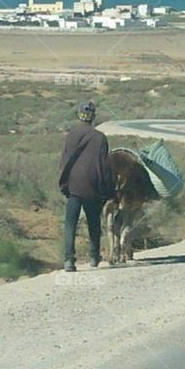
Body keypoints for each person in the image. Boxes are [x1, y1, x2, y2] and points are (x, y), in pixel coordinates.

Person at [58, 101, 115, 271]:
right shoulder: (100, 137)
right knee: (94, 222)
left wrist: (64, 184)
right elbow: (105, 166)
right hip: (92, 186)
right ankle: (94, 256)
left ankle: (69, 260)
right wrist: (108, 190)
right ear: (93, 117)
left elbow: (64, 162)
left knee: (70, 224)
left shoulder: (70, 136)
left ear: (79, 116)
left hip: (74, 185)